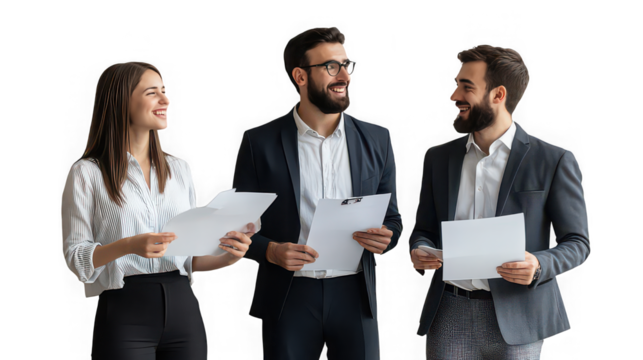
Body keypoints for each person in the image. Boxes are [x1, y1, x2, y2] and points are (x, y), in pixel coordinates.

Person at [61, 61, 254, 360]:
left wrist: (228, 256)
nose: (166, 100)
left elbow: (189, 259)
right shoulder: (86, 173)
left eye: (165, 91)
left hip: (184, 311)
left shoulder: (180, 169)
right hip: (125, 310)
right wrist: (129, 246)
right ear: (121, 101)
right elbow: (76, 258)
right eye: (153, 93)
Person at [408, 44, 590, 359]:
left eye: (466, 87)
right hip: (448, 313)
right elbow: (423, 228)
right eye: (456, 85)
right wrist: (420, 249)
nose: (454, 96)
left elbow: (577, 243)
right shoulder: (438, 158)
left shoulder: (553, 159)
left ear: (498, 95)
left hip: (520, 316)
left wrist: (539, 264)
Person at [231, 27, 403, 359]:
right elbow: (238, 228)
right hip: (288, 294)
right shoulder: (259, 142)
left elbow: (392, 219)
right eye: (331, 67)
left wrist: (388, 238)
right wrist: (271, 252)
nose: (344, 77)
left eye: (347, 65)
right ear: (300, 76)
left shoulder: (378, 139)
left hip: (355, 295)